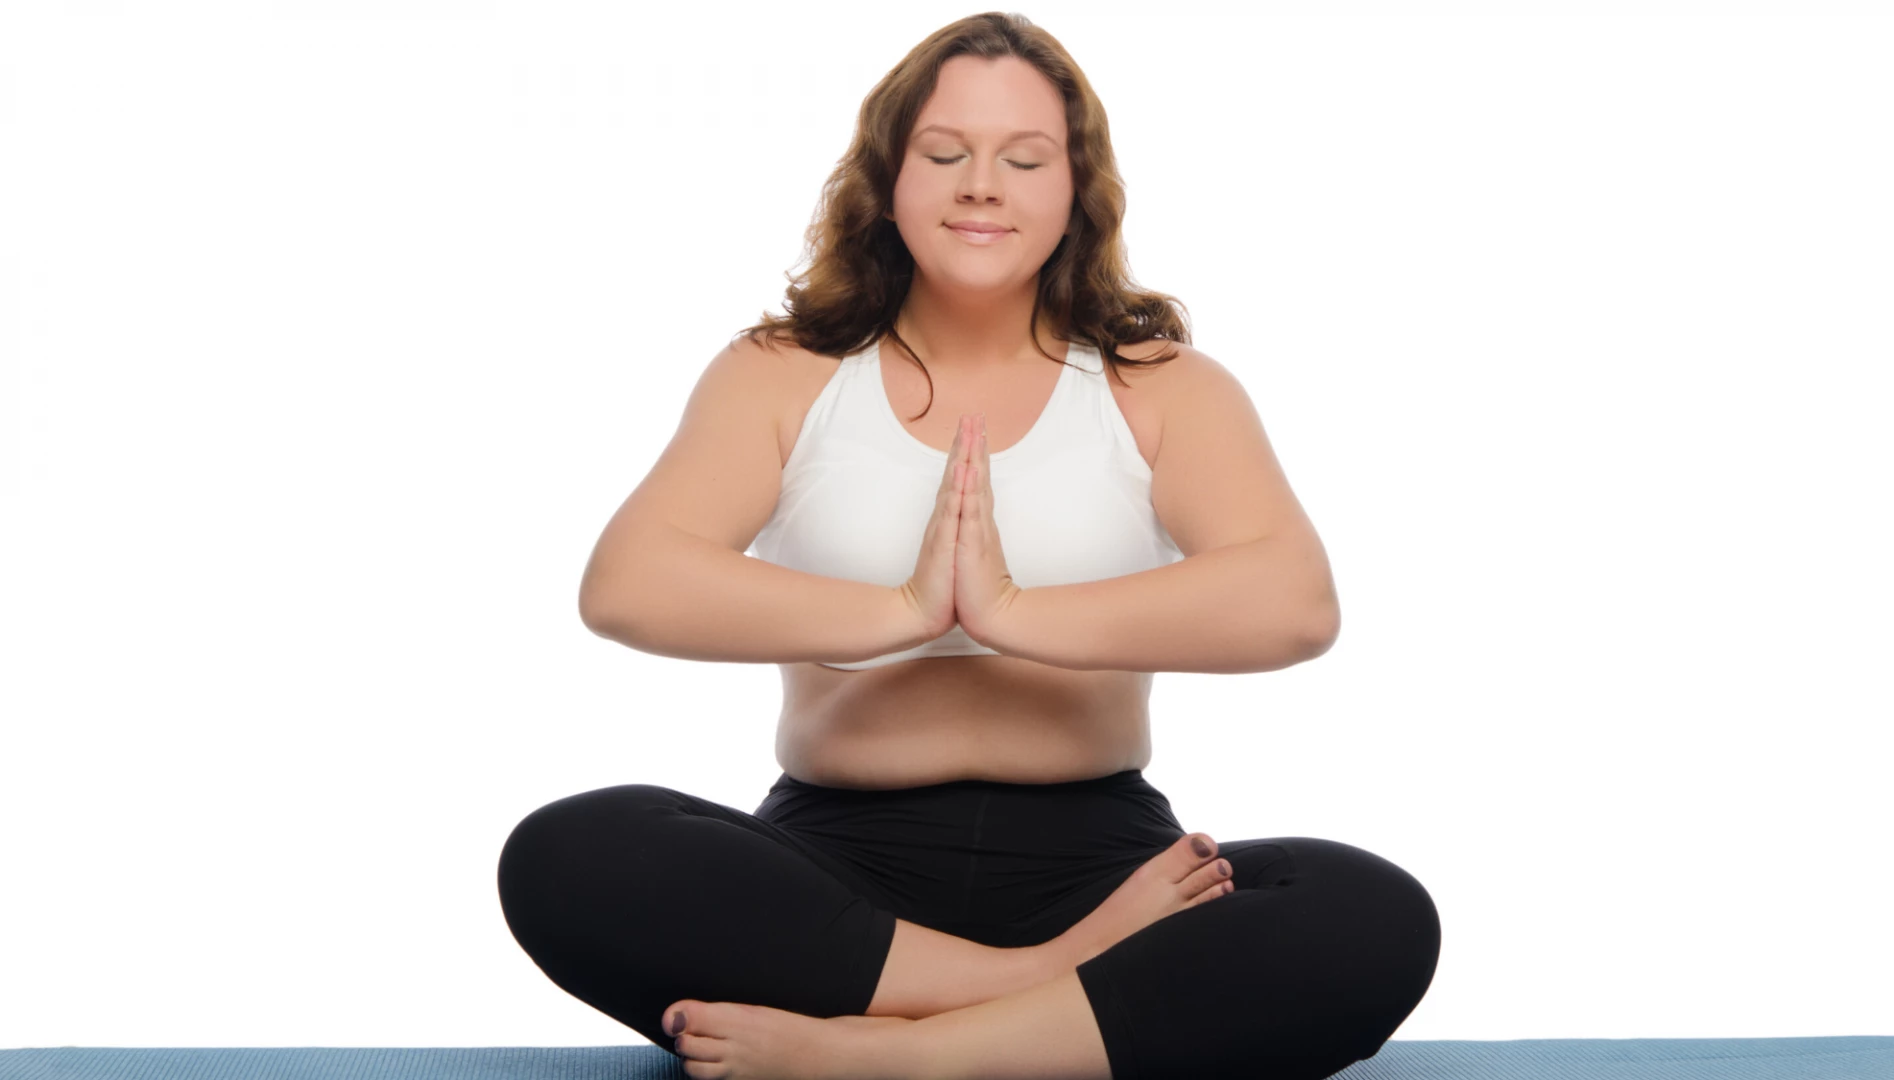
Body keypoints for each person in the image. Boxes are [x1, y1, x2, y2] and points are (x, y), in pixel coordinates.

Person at [496, 12, 1439, 1080]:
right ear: (889, 179)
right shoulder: (784, 370)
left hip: (1102, 855)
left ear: (1075, 187)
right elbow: (630, 584)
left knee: (1370, 914)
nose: (980, 184)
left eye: (1022, 159)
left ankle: (880, 1058)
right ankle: (1039, 999)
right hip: (835, 869)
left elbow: (1295, 603)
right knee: (570, 852)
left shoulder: (1160, 383)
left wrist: (1013, 615)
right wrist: (907, 612)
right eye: (945, 155)